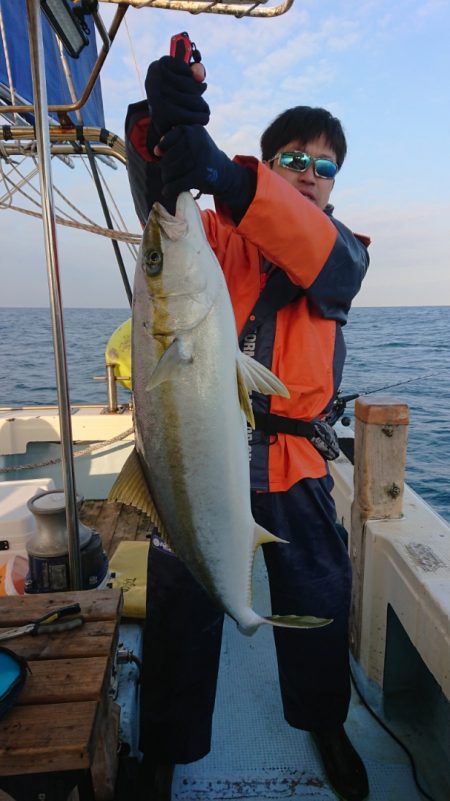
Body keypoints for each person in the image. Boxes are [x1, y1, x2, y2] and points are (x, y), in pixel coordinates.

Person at [124, 54, 371, 801]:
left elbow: (324, 262)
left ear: (333, 185)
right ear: (270, 162)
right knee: (178, 611)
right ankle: (168, 745)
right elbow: (156, 208)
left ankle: (324, 722)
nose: (308, 172)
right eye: (292, 158)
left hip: (294, 463)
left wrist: (231, 178)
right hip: (201, 454)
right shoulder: (209, 235)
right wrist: (157, 133)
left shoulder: (342, 250)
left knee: (320, 604)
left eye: (322, 166)